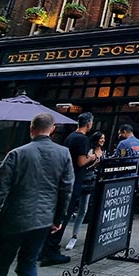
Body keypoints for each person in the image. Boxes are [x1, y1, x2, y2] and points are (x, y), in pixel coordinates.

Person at [0, 113, 74, 276]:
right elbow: (66, 189)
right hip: (42, 220)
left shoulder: (16, 154)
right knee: (28, 265)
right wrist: (58, 219)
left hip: (12, 220)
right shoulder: (63, 153)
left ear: (31, 129)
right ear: (53, 129)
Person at [41, 112, 98, 266]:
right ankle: (51, 250)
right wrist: (93, 157)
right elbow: (81, 162)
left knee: (58, 214)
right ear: (89, 124)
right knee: (63, 216)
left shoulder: (70, 137)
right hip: (73, 181)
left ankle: (45, 247)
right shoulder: (82, 139)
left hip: (64, 179)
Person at [65, 131, 105, 251]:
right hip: (81, 180)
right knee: (68, 208)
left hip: (92, 183)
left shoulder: (104, 151)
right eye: (101, 138)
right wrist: (93, 158)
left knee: (84, 209)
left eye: (104, 138)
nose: (103, 140)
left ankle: (75, 235)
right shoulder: (89, 149)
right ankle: (58, 232)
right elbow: (82, 163)